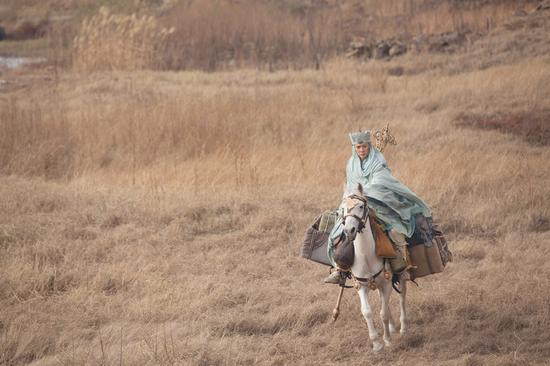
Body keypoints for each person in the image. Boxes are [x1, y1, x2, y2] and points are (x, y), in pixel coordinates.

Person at [324, 130, 433, 284]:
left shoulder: (378, 160)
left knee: (395, 231)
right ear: (354, 148)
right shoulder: (351, 163)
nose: (361, 150)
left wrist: (363, 193)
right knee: (337, 231)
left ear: (369, 146)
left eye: (364, 147)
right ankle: (339, 269)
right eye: (358, 147)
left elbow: (381, 183)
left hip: (378, 202)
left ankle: (402, 268)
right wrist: (352, 197)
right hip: (355, 203)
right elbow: (350, 185)